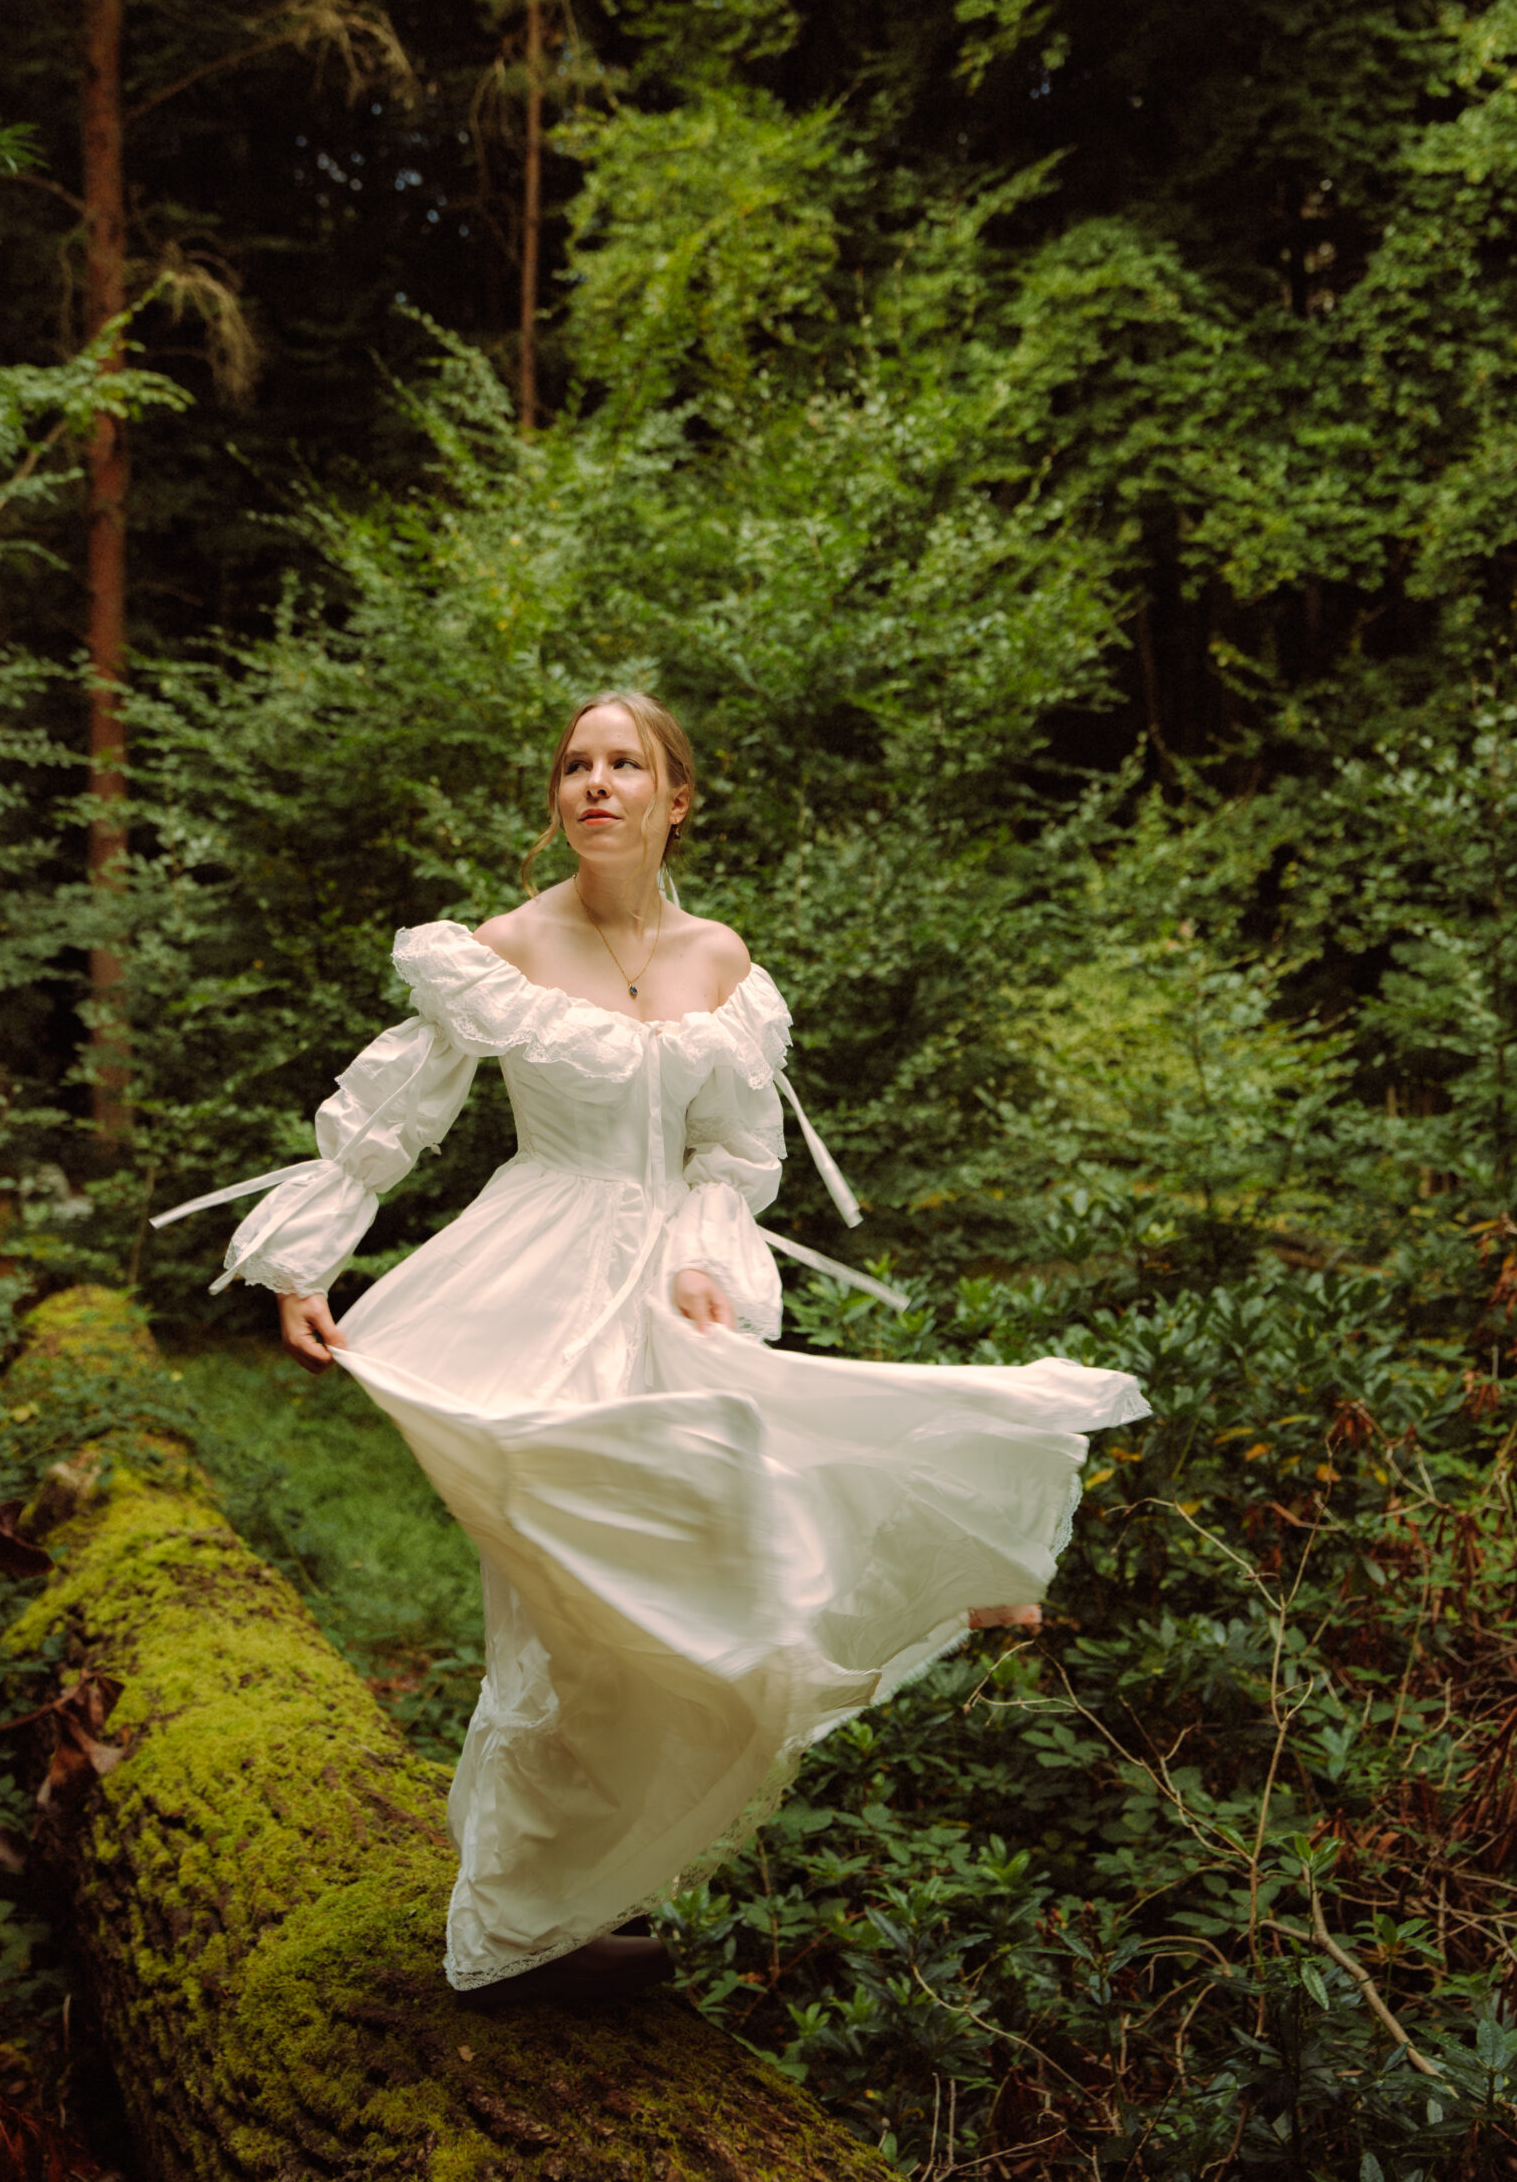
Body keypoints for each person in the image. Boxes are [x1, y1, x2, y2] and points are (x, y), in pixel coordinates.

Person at [153, 693, 1147, 2007]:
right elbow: (395, 1113)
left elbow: (735, 1149)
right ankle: (514, 1918)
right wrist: (302, 1258)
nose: (597, 783)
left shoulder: (724, 963)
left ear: (678, 799)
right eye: (576, 764)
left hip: (666, 1287)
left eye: (627, 764)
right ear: (556, 797)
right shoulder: (499, 947)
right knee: (566, 1590)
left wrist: (703, 1246)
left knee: (707, 1537)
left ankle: (575, 1886)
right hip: (532, 1277)